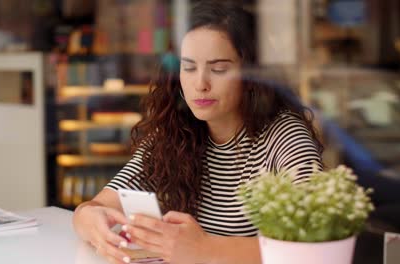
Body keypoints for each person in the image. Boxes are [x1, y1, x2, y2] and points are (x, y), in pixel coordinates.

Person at [73, 1, 323, 263]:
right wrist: (92, 221)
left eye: (219, 69)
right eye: (189, 67)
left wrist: (204, 249)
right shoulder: (174, 133)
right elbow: (94, 208)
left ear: (251, 76)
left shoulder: (284, 136)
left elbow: (312, 245)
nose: (200, 84)